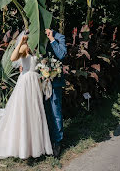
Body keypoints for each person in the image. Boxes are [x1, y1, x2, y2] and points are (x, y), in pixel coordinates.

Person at [0, 32, 53, 160]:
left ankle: (35, 147)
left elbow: (41, 64)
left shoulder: (38, 48)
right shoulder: (25, 47)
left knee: (35, 112)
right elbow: (13, 58)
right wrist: (21, 43)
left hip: (35, 82)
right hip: (26, 82)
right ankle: (23, 148)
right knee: (24, 112)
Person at [44, 28, 67, 158]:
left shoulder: (59, 37)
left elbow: (62, 55)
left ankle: (57, 142)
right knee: (43, 111)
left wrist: (52, 39)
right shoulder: (37, 37)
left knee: (55, 112)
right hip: (39, 81)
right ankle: (44, 139)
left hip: (55, 82)